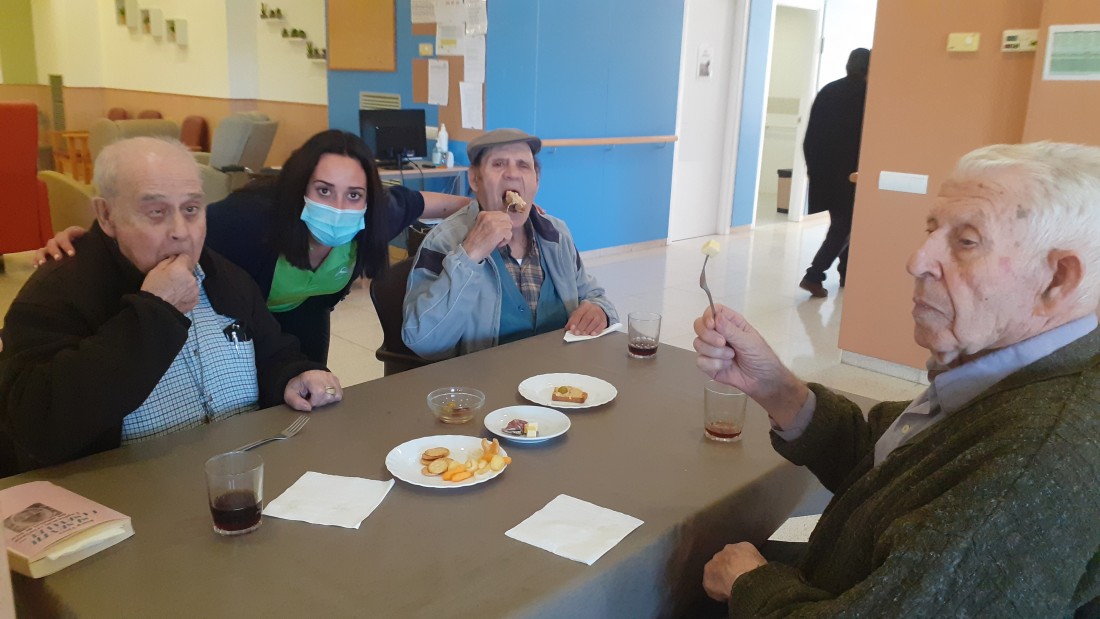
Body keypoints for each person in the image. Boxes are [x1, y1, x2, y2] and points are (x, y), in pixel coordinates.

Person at [694, 142, 1100, 616]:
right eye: (932, 230)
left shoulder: (1032, 466)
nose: (917, 260)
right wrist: (775, 387)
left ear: (1057, 279)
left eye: (966, 242)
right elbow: (895, 465)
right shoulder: (1006, 375)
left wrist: (750, 584)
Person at [0, 137, 344, 476]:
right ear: (106, 215)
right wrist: (155, 312)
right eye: (156, 212)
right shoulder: (57, 294)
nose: (181, 231)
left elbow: (274, 353)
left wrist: (293, 375)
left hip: (245, 476)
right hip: (129, 495)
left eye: (191, 209)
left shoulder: (226, 276)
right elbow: (36, 428)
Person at [36, 130, 471, 364]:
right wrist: (98, 239)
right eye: (323, 190)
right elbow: (176, 228)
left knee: (305, 390)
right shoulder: (247, 222)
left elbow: (429, 203)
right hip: (244, 325)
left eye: (353, 195)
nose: (339, 207)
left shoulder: (373, 217)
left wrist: (480, 210)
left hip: (308, 318)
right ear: (300, 189)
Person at [402, 128, 617, 360]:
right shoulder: (444, 241)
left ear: (536, 180)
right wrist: (470, 255)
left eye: (523, 165)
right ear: (475, 179)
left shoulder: (557, 236)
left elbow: (593, 295)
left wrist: (600, 311)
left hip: (559, 375)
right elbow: (422, 340)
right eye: (498, 164)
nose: (512, 174)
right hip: (486, 379)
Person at [799, 48, 870, 298]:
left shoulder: (829, 90)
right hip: (852, 174)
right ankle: (814, 275)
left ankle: (846, 274)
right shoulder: (867, 95)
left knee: (844, 224)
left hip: (826, 173)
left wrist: (814, 171)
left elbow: (811, 136)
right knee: (845, 226)